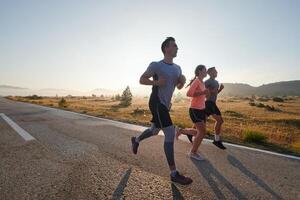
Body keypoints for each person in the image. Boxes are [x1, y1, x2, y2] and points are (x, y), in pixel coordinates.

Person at [131, 37, 192, 185]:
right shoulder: (156, 65)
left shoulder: (178, 68)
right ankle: (173, 173)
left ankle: (136, 140)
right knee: (170, 132)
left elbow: (177, 87)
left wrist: (182, 81)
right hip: (156, 102)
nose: (177, 48)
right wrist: (156, 82)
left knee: (154, 130)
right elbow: (142, 79)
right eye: (174, 45)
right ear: (166, 48)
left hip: (165, 105)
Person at [177, 65, 209, 160]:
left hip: (202, 110)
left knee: (199, 132)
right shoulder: (197, 81)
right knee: (202, 132)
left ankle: (180, 131)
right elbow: (189, 94)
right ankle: (193, 152)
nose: (206, 72)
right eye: (205, 70)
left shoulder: (202, 83)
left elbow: (202, 96)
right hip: (195, 110)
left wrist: (206, 94)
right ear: (199, 71)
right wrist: (203, 93)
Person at [205, 67, 226, 149]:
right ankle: (217, 140)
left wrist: (220, 89)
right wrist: (210, 91)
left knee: (201, 122)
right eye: (215, 71)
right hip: (208, 103)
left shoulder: (216, 82)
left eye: (216, 71)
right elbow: (205, 92)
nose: (217, 72)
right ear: (209, 73)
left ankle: (187, 132)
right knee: (220, 120)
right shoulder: (207, 82)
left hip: (212, 103)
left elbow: (215, 93)